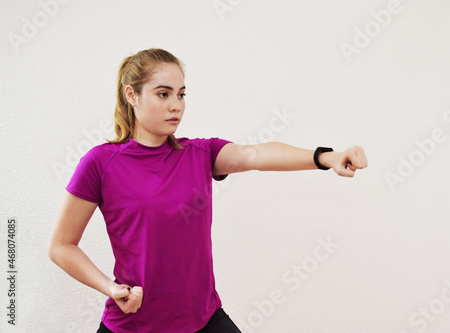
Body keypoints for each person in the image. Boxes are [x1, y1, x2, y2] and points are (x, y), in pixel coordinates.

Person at [48, 48, 368, 333]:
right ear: (132, 95)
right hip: (134, 324)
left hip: (203, 320)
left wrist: (326, 156)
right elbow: (61, 246)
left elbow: (254, 154)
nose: (176, 106)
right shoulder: (101, 163)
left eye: (181, 94)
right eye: (163, 94)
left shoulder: (200, 154)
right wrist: (110, 288)